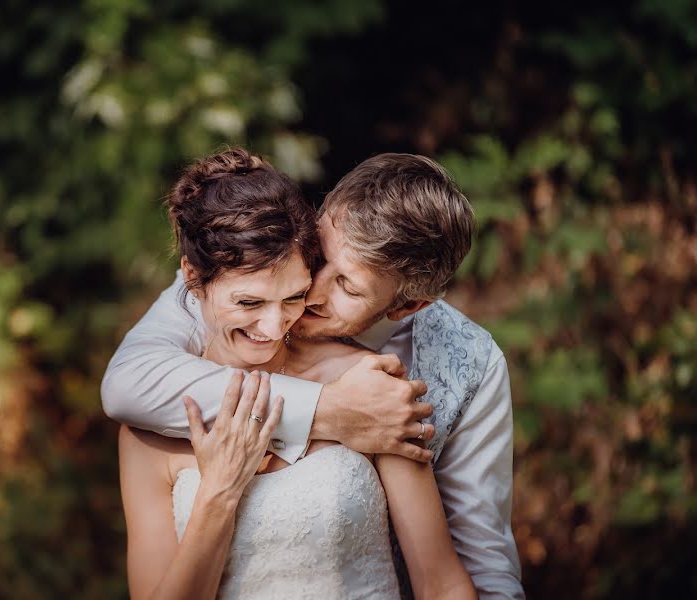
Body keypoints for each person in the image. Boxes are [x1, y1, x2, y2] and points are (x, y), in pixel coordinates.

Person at [104, 151, 524, 599]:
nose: (308, 296)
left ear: (405, 307)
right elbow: (122, 384)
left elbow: (461, 576)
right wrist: (326, 415)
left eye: (347, 286)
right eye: (319, 257)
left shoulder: (386, 387)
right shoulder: (224, 279)